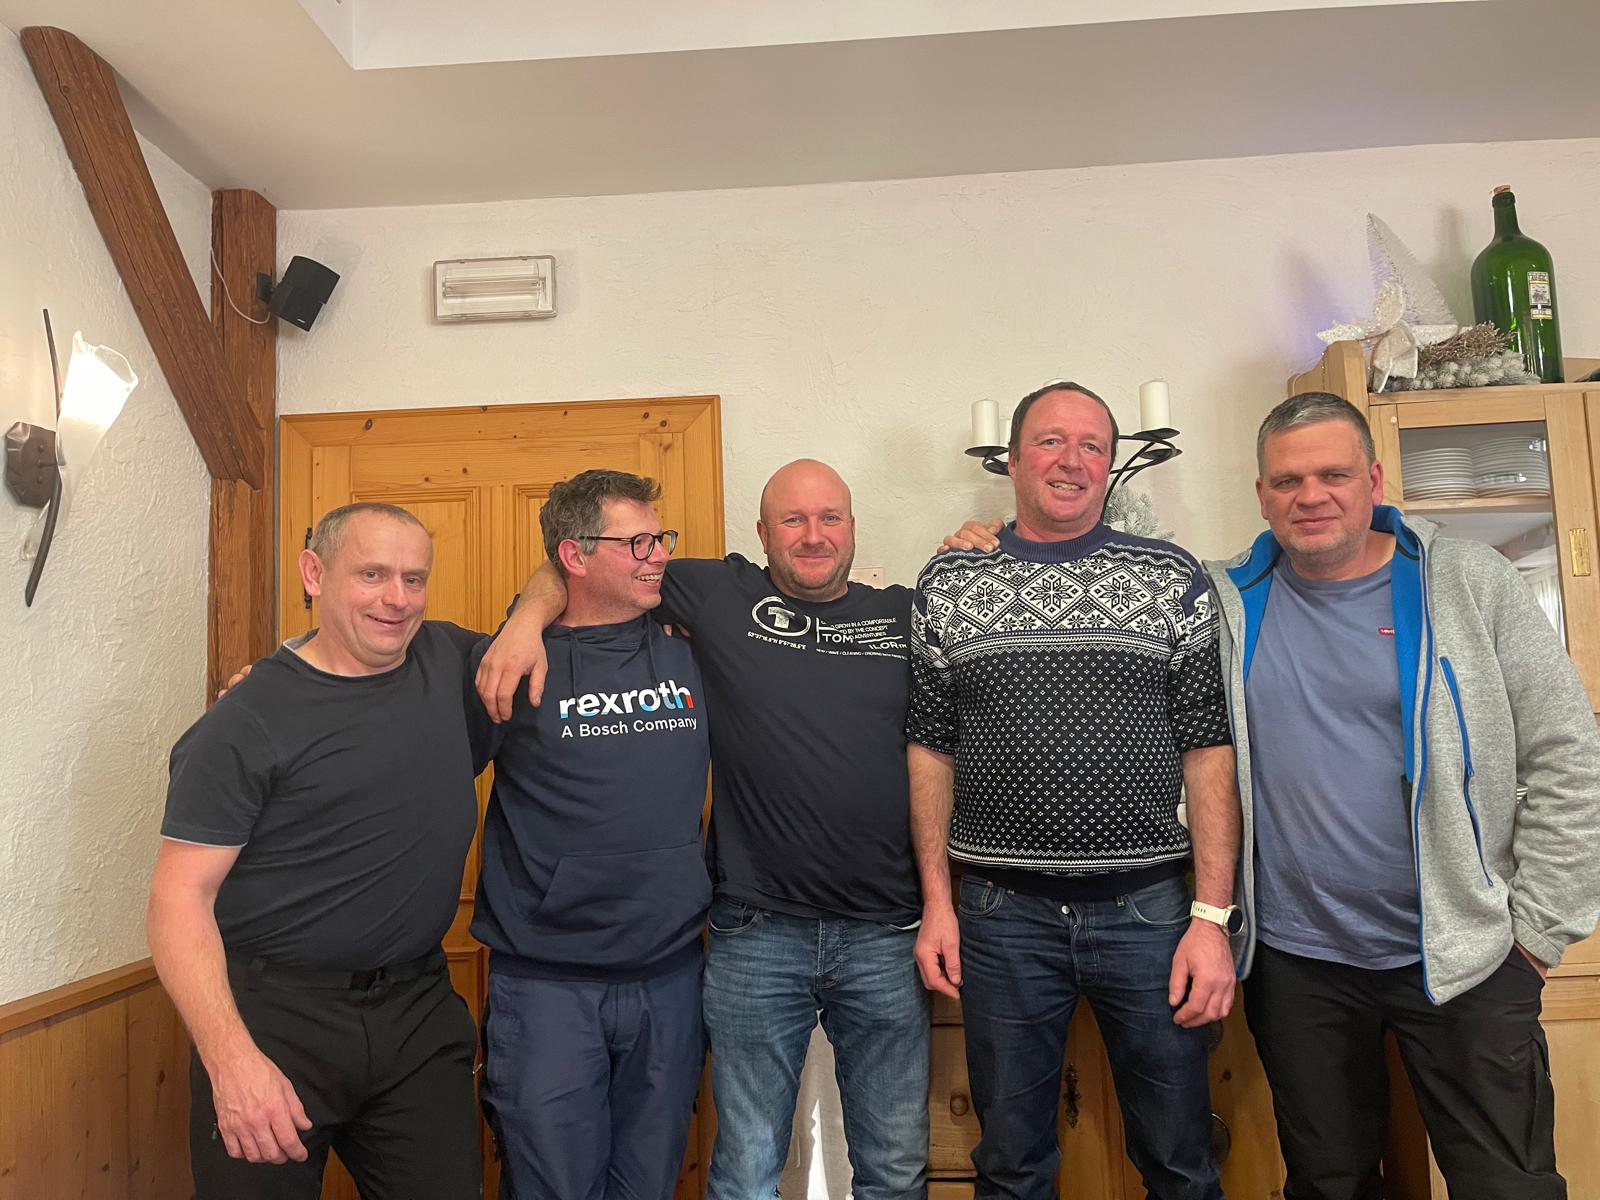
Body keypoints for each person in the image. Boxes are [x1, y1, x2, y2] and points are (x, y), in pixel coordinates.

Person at [476, 458, 930, 1200]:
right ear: (762, 533)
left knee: (888, 1165)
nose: (814, 535)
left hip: (794, 945)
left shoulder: (892, 615)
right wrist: (524, 622)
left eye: (830, 517)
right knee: (726, 1171)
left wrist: (985, 540)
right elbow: (564, 570)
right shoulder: (698, 601)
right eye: (792, 519)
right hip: (683, 948)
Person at [1203, 391, 1600, 1200]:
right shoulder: (1224, 601)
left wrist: (1536, 934)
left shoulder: (1467, 580)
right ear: (1261, 495)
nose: (1311, 496)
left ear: (1375, 481)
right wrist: (993, 542)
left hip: (1467, 954)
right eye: (1287, 481)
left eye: (1334, 474)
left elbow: (1567, 752)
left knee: (1508, 1186)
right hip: (1299, 962)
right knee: (1330, 1183)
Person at [908, 381, 1239, 1200]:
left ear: (1111, 464)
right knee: (1011, 1165)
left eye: (1093, 445)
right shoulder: (950, 580)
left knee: (1180, 1159)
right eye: (1051, 441)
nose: (1073, 460)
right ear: (1013, 460)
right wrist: (938, 904)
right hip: (1000, 918)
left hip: (1149, 914)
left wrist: (1211, 919)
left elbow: (1208, 753)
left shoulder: (1170, 577)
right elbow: (930, 752)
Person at [148, 502, 485, 1200]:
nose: (397, 598)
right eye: (372, 574)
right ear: (314, 573)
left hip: (417, 1012)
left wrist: (542, 617)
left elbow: (557, 611)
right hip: (274, 1019)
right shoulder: (245, 719)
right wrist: (231, 1061)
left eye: (414, 579)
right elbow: (178, 900)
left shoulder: (448, 661)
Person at [471, 468, 712, 1200]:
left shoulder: (690, 642)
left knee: (649, 1185)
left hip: (670, 974)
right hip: (547, 985)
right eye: (636, 542)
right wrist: (281, 682)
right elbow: (392, 725)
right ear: (574, 556)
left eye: (660, 538)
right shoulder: (509, 664)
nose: (658, 555)